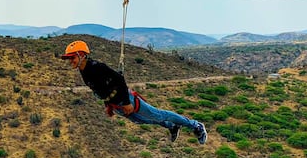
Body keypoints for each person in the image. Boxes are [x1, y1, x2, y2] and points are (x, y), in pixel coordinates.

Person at [60, 40, 207, 144]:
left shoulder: (96, 67)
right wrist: (108, 105)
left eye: (72, 57)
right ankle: (172, 126)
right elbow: (100, 89)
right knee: (142, 120)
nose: (70, 61)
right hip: (116, 103)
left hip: (125, 99)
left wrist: (126, 102)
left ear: (82, 55)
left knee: (158, 115)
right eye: (69, 58)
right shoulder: (83, 70)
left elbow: (119, 80)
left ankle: (196, 125)